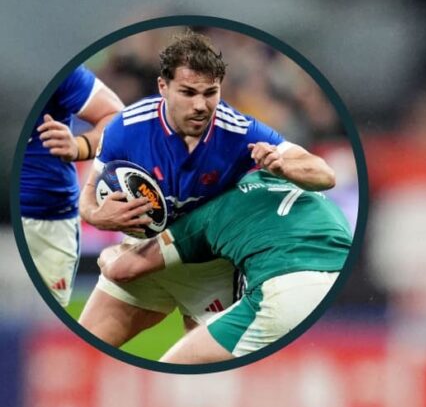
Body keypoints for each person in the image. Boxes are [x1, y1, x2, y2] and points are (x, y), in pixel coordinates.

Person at [77, 30, 335, 348]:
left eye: (210, 93)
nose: (200, 105)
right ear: (163, 87)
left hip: (208, 269)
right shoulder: (126, 128)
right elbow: (87, 197)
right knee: (82, 349)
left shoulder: (240, 131)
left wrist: (284, 166)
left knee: (198, 371)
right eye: (188, 92)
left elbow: (324, 174)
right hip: (143, 251)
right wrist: (100, 217)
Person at [96, 169, 351, 363]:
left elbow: (121, 270)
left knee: (172, 376)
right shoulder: (310, 193)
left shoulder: (213, 207)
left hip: (285, 289)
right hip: (343, 294)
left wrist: (110, 252)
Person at [19, 64, 124, 306]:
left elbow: (116, 117)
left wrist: (80, 146)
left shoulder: (50, 63)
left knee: (41, 321)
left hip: (45, 220)